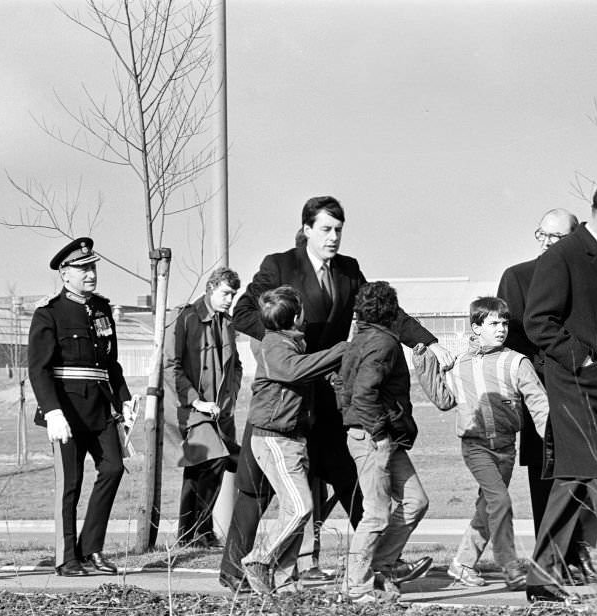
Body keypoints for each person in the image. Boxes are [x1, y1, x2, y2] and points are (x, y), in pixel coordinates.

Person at [220, 196, 450, 592]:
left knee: (350, 479)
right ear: (307, 229)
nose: (334, 237)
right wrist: (284, 348)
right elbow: (243, 313)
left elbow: (384, 313)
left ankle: (375, 565)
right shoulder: (279, 266)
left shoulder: (348, 270)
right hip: (282, 396)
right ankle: (235, 570)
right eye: (326, 229)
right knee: (254, 488)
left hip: (328, 394)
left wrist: (426, 343)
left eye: (339, 230)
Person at [522, 179, 597, 603]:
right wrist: (583, 359)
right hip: (573, 388)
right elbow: (538, 322)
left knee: (572, 483)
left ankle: (539, 578)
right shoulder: (563, 256)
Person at [415, 296, 549, 591]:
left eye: (504, 323)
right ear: (475, 328)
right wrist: (425, 365)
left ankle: (462, 564)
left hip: (505, 447)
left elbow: (539, 404)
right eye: (493, 323)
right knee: (499, 501)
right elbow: (443, 400)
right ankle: (511, 568)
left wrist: (550, 439)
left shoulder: (517, 362)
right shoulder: (459, 364)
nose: (501, 329)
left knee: (488, 506)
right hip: (475, 446)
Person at [498, 209, 597, 583]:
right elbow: (512, 340)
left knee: (588, 476)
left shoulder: (586, 279)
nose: (548, 243)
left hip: (583, 389)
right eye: (544, 235)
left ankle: (577, 555)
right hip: (540, 392)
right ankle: (550, 562)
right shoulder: (518, 277)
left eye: (558, 238)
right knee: (546, 477)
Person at [28, 237, 133, 577]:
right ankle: (66, 557)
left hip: (100, 409)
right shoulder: (50, 313)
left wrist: (125, 398)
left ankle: (91, 549)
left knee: (114, 468)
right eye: (82, 268)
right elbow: (39, 368)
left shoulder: (102, 310)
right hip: (66, 411)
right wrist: (52, 411)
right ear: (64, 274)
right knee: (69, 484)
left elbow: (110, 364)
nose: (90, 274)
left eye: (92, 267)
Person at [240, 286, 349, 594]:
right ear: (298, 315)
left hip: (292, 439)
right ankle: (259, 559)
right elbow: (292, 371)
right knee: (301, 508)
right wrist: (340, 351)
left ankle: (286, 583)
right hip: (274, 439)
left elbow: (306, 370)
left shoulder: (292, 343)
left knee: (294, 512)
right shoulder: (274, 345)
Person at [337, 282, 430, 604]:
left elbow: (342, 386)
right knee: (376, 513)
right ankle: (357, 587)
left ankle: (381, 565)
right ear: (391, 310)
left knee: (416, 501)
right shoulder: (382, 344)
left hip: (380, 436)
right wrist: (379, 435)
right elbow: (363, 395)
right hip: (373, 438)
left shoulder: (360, 340)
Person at [166, 267, 243, 549]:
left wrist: (231, 396)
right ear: (211, 287)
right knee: (216, 460)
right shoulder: (186, 317)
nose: (229, 299)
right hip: (192, 408)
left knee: (201, 467)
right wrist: (195, 400)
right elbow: (171, 366)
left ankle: (194, 534)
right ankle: (196, 530)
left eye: (233, 295)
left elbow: (236, 365)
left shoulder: (228, 322)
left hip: (219, 410)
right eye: (225, 293)